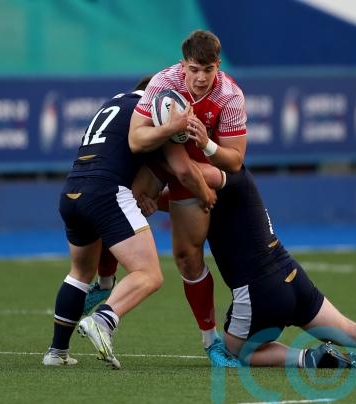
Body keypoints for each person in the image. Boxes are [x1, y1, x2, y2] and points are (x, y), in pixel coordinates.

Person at [137, 164, 356, 369]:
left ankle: (308, 358)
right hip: (291, 274)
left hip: (260, 288)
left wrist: (157, 168)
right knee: (349, 329)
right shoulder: (237, 178)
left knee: (239, 351)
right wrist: (156, 200)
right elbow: (188, 196)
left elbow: (189, 182)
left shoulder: (218, 177)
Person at [42, 77, 184, 369]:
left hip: (72, 190)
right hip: (105, 192)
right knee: (149, 274)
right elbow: (165, 167)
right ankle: (102, 319)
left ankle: (56, 353)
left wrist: (144, 195)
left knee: (79, 274)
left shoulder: (113, 103)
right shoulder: (149, 109)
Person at [128, 29, 247, 367]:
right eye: (194, 69)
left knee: (187, 256)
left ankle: (211, 341)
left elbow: (235, 161)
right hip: (160, 160)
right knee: (124, 201)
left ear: (217, 66)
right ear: (183, 66)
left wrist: (205, 143)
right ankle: (103, 282)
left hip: (198, 169)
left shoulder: (230, 95)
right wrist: (171, 128)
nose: (200, 78)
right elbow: (136, 140)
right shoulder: (163, 83)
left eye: (208, 70)